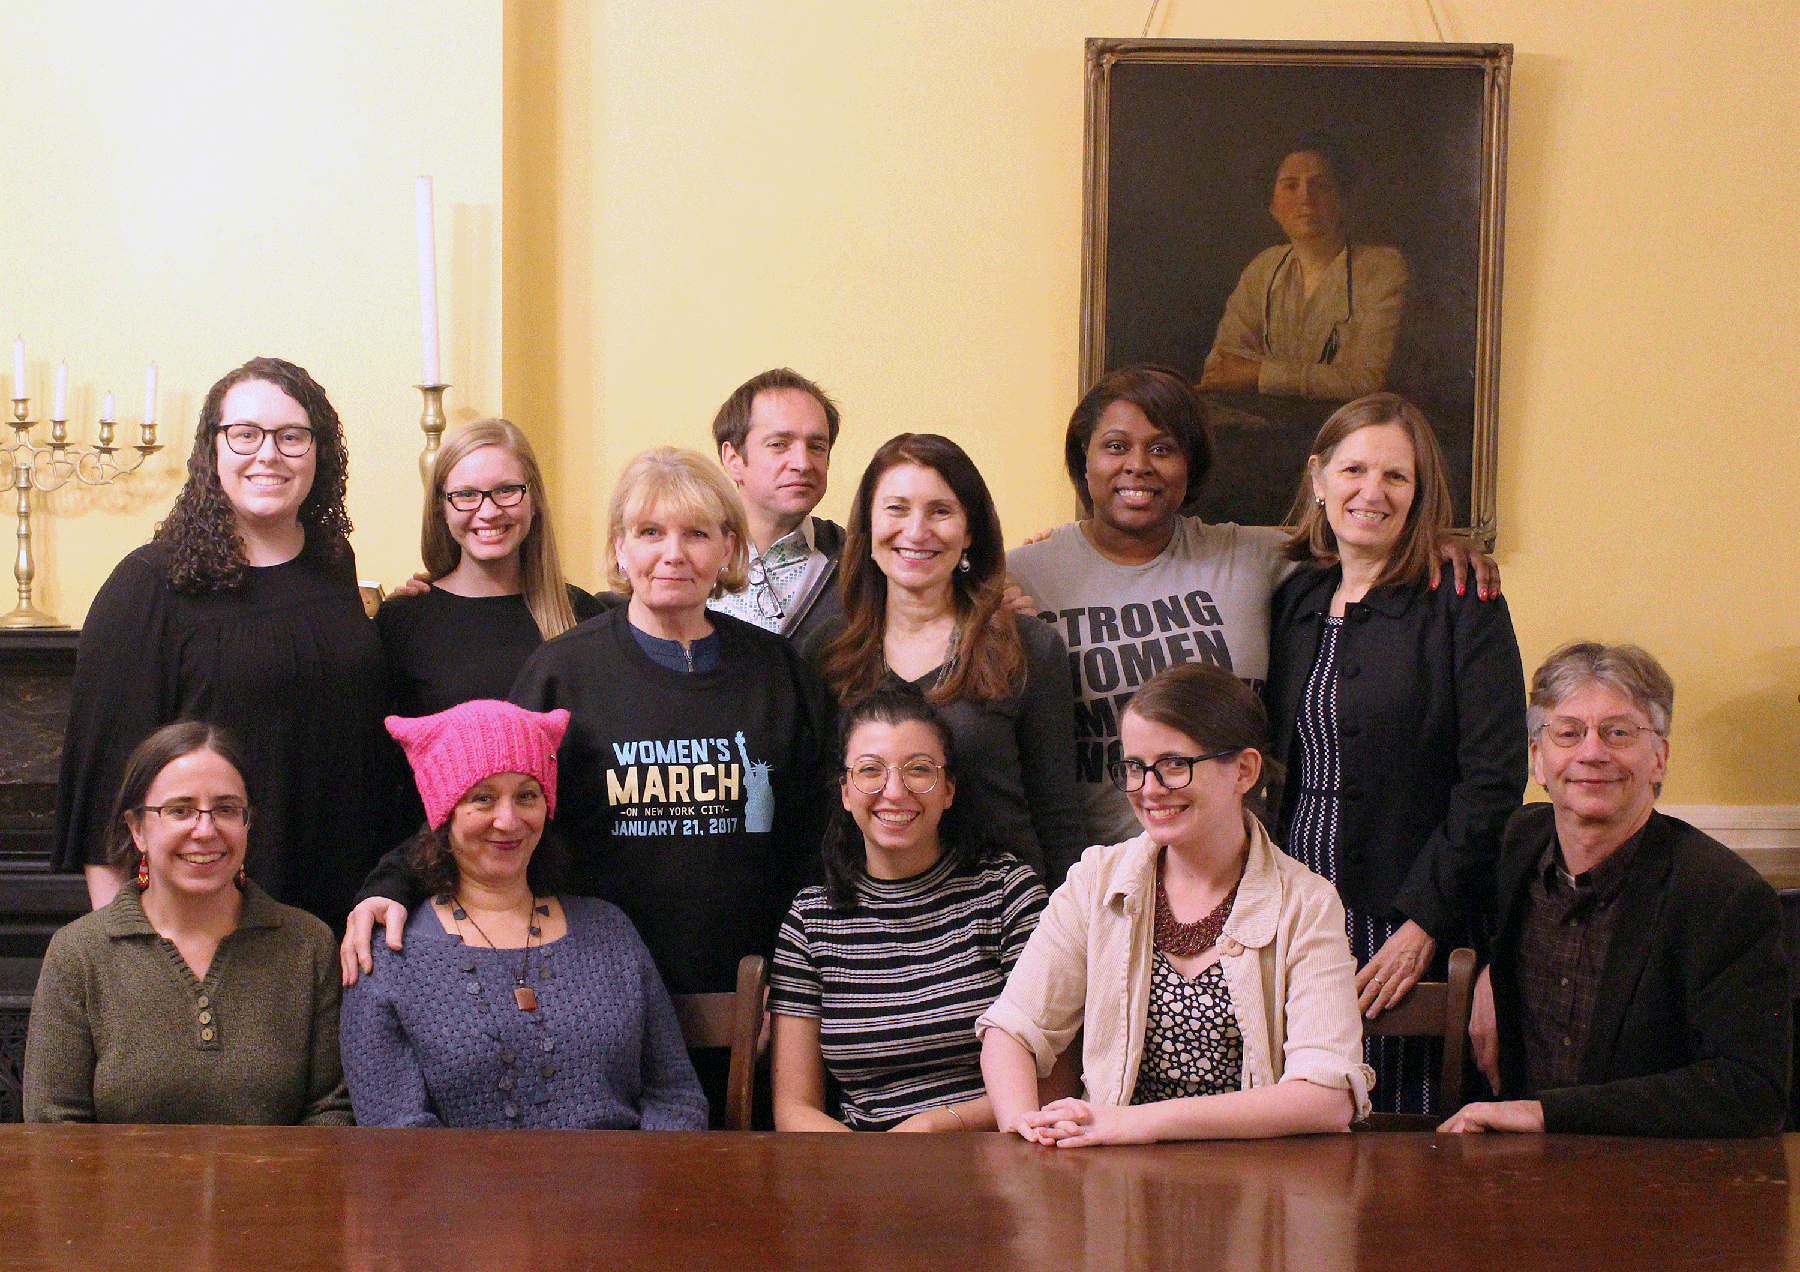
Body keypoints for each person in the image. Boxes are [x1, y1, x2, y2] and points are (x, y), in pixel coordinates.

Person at [345, 448, 832, 1002]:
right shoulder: (564, 672)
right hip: (590, 992)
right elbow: (480, 800)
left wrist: (797, 983)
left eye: (697, 534)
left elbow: (817, 841)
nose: (672, 555)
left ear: (728, 548)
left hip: (759, 994)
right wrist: (391, 886)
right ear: (619, 549)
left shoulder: (780, 675)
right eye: (649, 532)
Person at [1006, 366, 1498, 849]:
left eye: (1163, 448)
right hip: (1096, 885)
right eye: (1115, 446)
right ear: (1082, 460)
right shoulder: (1023, 577)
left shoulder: (1255, 559)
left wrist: (1440, 544)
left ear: (1189, 466)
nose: (1138, 464)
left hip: (1246, 882)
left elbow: (1360, 538)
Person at [53, 356, 390, 925]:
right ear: (212, 449)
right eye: (244, 434)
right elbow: (106, 801)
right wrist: (130, 961)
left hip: (340, 901)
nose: (268, 454)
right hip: (202, 913)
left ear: (319, 452)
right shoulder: (148, 586)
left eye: (291, 436)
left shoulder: (333, 564)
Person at [978, 663, 1371, 1145]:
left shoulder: (1307, 903)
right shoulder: (1095, 881)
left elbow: (1327, 1097)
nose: (1148, 789)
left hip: (1257, 1191)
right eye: (1134, 768)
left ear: (1244, 771)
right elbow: (1011, 1030)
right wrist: (1023, 1126)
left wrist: (1138, 1124)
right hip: (1112, 1184)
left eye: (1173, 765)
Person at [1265, 392, 1526, 1115]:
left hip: (1405, 910)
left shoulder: (1461, 598)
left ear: (1420, 494)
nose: (1371, 492)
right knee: (1296, 1103)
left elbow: (1494, 781)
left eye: (1396, 477)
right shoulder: (1294, 596)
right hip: (1291, 904)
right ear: (1319, 478)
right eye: (1353, 469)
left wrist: (1425, 924)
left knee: (1389, 1111)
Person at [1441, 643, 1790, 1138]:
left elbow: (1751, 1091)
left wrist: (1549, 1115)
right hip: (1517, 1183)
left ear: (1659, 759)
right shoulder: (1518, 846)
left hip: (1656, 1190)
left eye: (1618, 732)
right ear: (1539, 761)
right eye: (1568, 733)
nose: (1591, 752)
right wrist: (1489, 970)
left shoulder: (1725, 897)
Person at [340, 700, 706, 1128]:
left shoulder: (610, 933)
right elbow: (395, 1134)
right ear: (444, 812)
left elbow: (676, 1096)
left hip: (625, 1189)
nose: (508, 820)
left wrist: (646, 1189)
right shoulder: (388, 954)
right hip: (458, 1194)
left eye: (527, 796)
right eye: (483, 798)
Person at [24, 722, 350, 1124]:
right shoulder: (79, 953)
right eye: (179, 810)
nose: (205, 830)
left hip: (274, 1188)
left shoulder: (307, 945)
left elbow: (330, 1108)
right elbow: (53, 1126)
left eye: (227, 810)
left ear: (249, 823)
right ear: (138, 828)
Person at [808, 434, 1085, 885]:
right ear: (867, 528)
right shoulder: (827, 652)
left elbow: (1059, 820)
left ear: (970, 530)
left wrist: (1068, 941)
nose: (916, 532)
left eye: (941, 511)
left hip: (1007, 930)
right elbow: (817, 817)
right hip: (864, 929)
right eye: (896, 509)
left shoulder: (1029, 648)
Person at [769, 688, 1047, 1131]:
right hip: (858, 1173)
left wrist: (939, 1126)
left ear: (949, 790)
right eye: (870, 771)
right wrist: (869, 1173)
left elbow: (1056, 1082)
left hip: (1002, 1156)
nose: (894, 791)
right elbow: (794, 1109)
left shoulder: (1008, 894)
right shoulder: (810, 919)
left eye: (919, 770)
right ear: (844, 792)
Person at [377, 418, 608, 720]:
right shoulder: (403, 620)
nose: (488, 512)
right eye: (466, 495)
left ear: (534, 498)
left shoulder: (585, 617)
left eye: (506, 490)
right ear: (440, 507)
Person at [1200, 134, 1406, 401]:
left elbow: (1367, 380)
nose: (1306, 198)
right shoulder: (1264, 268)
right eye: (1290, 186)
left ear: (1342, 201)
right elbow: (1222, 366)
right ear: (1273, 208)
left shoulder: (1382, 269)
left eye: (1320, 185)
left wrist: (1258, 373)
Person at [708, 368, 846, 644]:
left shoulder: (855, 564)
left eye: (817, 447)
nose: (803, 463)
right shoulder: (686, 557)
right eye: (779, 444)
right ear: (733, 459)